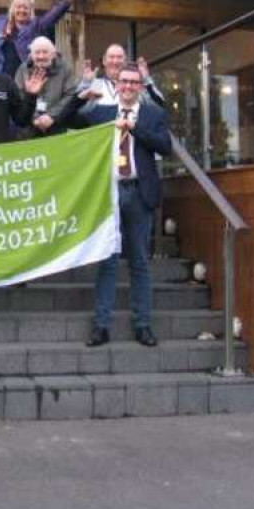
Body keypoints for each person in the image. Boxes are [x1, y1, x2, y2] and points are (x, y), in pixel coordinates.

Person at [76, 62, 172, 348]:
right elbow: (69, 119)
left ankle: (143, 325)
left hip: (139, 194)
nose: (128, 86)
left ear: (141, 87)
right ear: (116, 85)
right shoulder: (103, 113)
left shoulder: (153, 114)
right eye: (124, 82)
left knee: (139, 262)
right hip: (108, 194)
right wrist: (83, 89)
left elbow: (164, 146)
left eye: (134, 82)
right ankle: (101, 326)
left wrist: (134, 127)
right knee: (107, 260)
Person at [13, 36, 78, 137]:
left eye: (45, 52)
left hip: (57, 125)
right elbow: (18, 96)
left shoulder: (65, 69)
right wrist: (35, 118)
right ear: (31, 55)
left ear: (53, 54)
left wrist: (51, 116)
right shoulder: (23, 70)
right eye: (37, 53)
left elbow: (70, 94)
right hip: (29, 128)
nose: (41, 56)